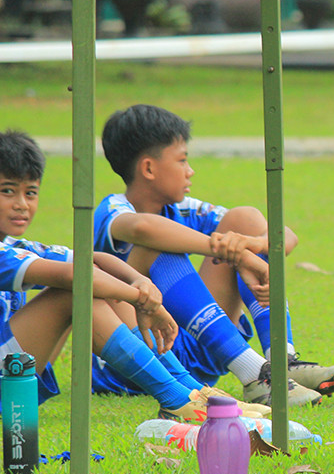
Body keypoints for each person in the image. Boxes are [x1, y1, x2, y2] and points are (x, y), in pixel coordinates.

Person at [93, 104, 334, 407]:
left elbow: (287, 236)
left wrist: (254, 244)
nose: (191, 171)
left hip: (198, 350)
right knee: (158, 246)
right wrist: (241, 257)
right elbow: (142, 228)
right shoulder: (112, 210)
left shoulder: (183, 208)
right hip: (134, 362)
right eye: (182, 160)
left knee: (244, 218)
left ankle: (282, 363)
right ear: (149, 168)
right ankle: (255, 374)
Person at [0, 129, 268, 420]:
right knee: (79, 290)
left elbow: (94, 260)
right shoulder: (114, 208)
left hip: (19, 374)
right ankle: (180, 397)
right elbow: (73, 275)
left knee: (101, 282)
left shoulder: (17, 246)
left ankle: (195, 391)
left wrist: (137, 282)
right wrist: (141, 298)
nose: (21, 204)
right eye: (7, 191)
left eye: (30, 193)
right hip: (22, 380)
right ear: (148, 168)